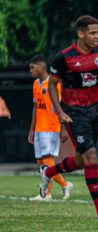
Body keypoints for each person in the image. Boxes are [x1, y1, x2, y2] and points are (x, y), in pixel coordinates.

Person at [38, 15, 98, 219]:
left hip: (94, 110)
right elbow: (51, 84)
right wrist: (60, 113)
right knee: (91, 157)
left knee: (81, 159)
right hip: (74, 113)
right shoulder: (63, 57)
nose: (96, 36)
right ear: (81, 33)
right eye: (92, 33)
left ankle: (48, 172)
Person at [28, 55, 73, 201]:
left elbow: (62, 106)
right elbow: (35, 107)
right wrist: (32, 128)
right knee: (41, 162)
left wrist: (64, 128)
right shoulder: (35, 84)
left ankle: (46, 193)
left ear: (41, 67)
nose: (31, 70)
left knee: (47, 160)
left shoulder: (54, 84)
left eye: (32, 67)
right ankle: (65, 184)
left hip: (51, 127)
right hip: (39, 128)